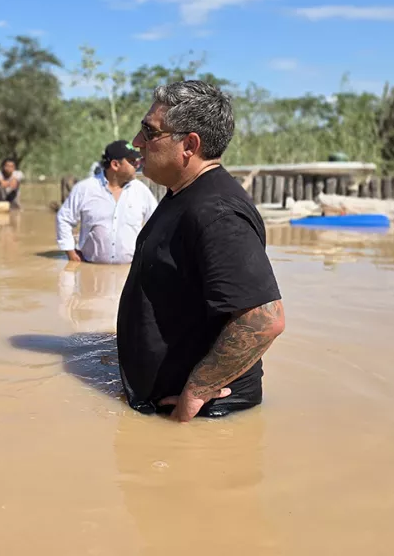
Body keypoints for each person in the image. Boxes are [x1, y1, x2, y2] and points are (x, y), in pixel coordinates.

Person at [117, 80, 286, 422]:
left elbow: (264, 319)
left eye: (149, 132)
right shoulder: (182, 193)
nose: (137, 142)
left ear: (189, 145)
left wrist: (195, 393)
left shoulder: (216, 212)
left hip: (200, 418)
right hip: (168, 408)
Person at [55, 140, 158, 264]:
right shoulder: (84, 189)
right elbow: (63, 219)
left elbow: (158, 224)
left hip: (129, 270)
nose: (137, 165)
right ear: (115, 165)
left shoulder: (141, 191)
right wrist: (70, 252)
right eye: (131, 161)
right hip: (90, 270)